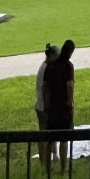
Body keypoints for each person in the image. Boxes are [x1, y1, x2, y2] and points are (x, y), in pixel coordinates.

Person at [44, 40, 76, 172]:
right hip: (63, 106)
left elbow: (46, 86)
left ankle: (47, 167)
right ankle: (64, 168)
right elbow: (69, 85)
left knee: (50, 139)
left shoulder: (50, 65)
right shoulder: (68, 66)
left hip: (52, 106)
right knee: (64, 139)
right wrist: (70, 102)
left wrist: (46, 102)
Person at [34, 42, 59, 170]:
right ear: (52, 56)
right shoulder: (45, 69)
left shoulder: (46, 67)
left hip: (44, 106)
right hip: (43, 107)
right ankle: (44, 161)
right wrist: (47, 107)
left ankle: (53, 156)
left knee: (50, 132)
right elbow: (45, 89)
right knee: (44, 134)